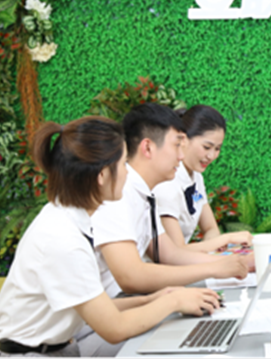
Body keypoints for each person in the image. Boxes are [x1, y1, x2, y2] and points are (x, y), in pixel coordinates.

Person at [0, 117, 220, 357]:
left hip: (58, 348)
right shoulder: (63, 240)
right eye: (123, 164)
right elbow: (114, 328)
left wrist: (154, 299)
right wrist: (174, 302)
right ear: (102, 176)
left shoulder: (69, 218)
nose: (127, 172)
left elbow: (97, 306)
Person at [91, 103, 252, 299]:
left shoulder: (144, 193)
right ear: (148, 148)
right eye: (177, 145)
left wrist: (231, 264)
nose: (181, 155)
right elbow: (131, 276)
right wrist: (214, 268)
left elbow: (170, 254)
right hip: (113, 305)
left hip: (127, 300)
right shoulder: (118, 194)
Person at [154, 105, 252, 253]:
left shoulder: (196, 177)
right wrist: (226, 239)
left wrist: (211, 247)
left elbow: (210, 228)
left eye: (217, 149)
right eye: (206, 147)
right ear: (183, 139)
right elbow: (177, 253)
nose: (211, 156)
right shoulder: (166, 182)